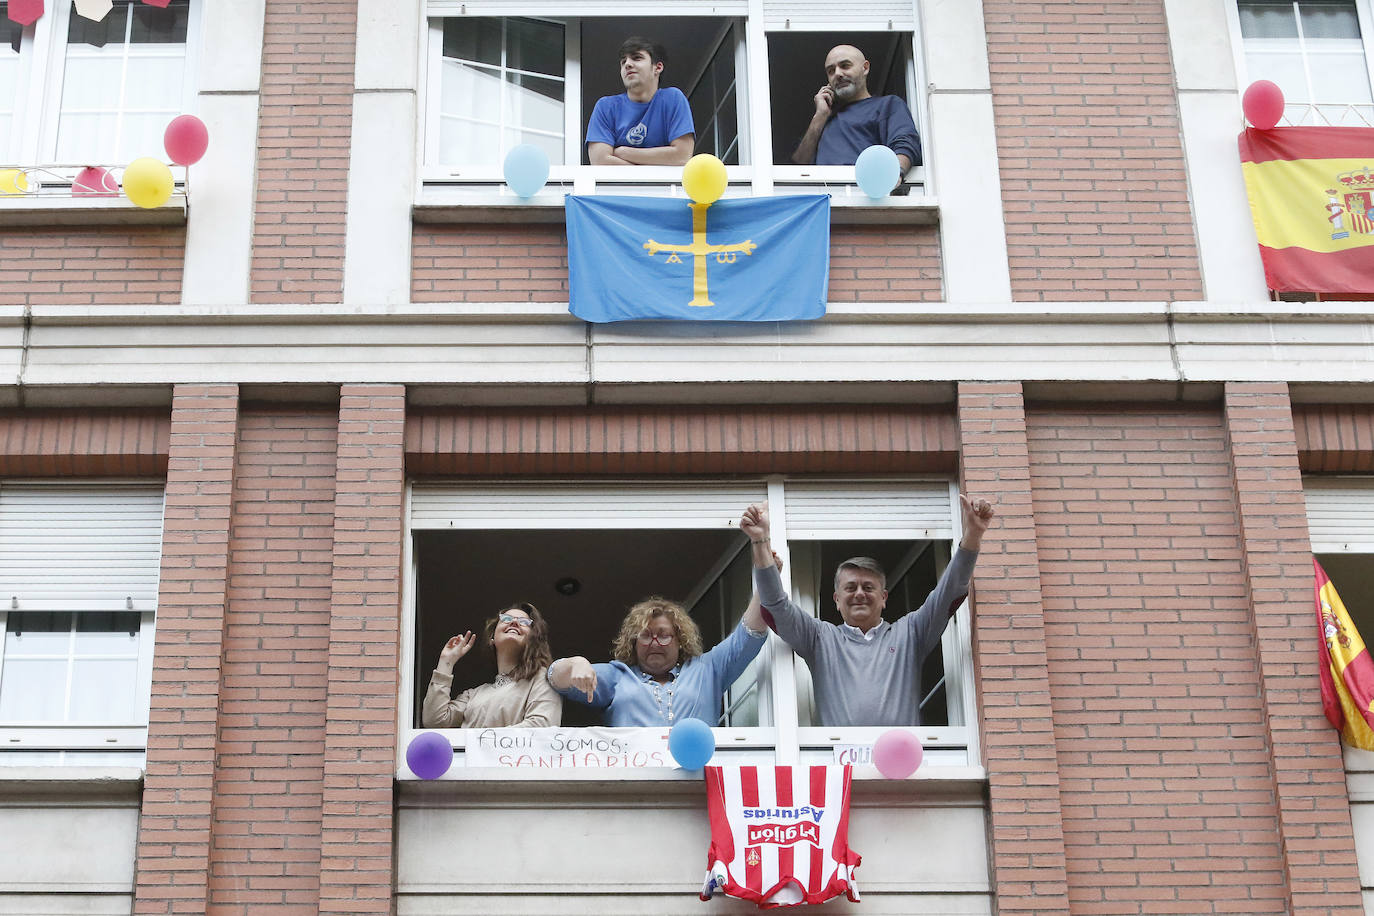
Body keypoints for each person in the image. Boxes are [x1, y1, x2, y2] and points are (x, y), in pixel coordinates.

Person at [740, 494, 994, 727]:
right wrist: (760, 542)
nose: (859, 593)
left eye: (868, 587)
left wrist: (972, 535)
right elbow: (775, 608)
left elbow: (948, 593)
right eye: (850, 587)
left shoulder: (910, 633)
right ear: (836, 600)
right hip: (841, 767)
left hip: (904, 769)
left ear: (883, 598)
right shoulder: (820, 638)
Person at [547, 564, 777, 725]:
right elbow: (554, 678)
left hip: (699, 783)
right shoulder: (619, 675)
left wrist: (767, 577)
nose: (654, 642)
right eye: (646, 635)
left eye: (664, 635)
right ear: (634, 642)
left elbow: (750, 633)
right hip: (636, 783)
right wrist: (577, 663)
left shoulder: (707, 669)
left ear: (680, 640)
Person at [422, 602, 562, 728]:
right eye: (506, 619)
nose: (514, 622)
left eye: (524, 622)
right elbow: (434, 721)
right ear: (492, 638)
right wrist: (446, 661)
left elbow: (542, 728)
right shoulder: (473, 695)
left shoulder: (542, 678)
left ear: (533, 638)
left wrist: (482, 742)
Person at [790, 44, 921, 175]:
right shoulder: (823, 120)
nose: (838, 74)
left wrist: (895, 175)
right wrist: (820, 115)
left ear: (865, 68)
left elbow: (905, 145)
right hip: (824, 194)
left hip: (866, 191)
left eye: (845, 66)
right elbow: (799, 166)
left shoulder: (887, 105)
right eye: (831, 71)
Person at [586, 37, 695, 166]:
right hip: (619, 187)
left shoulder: (673, 99)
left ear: (657, 67)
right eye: (623, 61)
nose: (627, 64)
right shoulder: (606, 107)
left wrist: (623, 152)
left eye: (637, 58)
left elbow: (682, 156)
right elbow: (600, 161)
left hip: (665, 187)